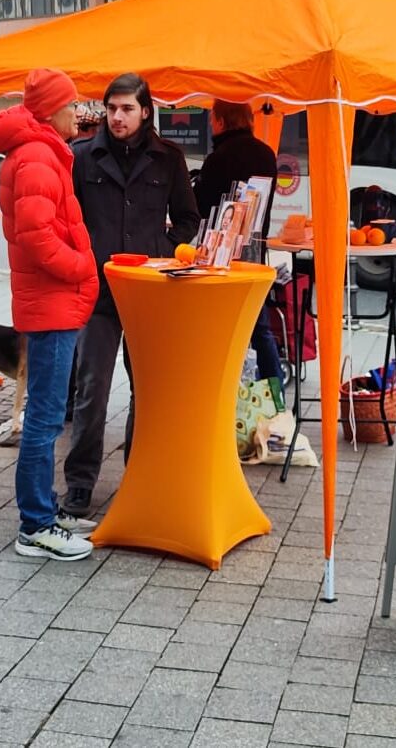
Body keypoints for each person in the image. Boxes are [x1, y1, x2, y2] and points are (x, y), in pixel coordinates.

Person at [66, 73, 199, 521]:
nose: (117, 117)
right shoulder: (82, 157)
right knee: (92, 389)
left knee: (146, 389)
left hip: (148, 292)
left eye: (126, 109)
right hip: (99, 291)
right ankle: (80, 483)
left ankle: (138, 475)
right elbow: (68, 220)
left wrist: (161, 250)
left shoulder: (168, 158)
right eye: (111, 108)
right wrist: (83, 258)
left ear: (145, 111)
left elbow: (188, 218)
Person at [0, 67, 98, 561]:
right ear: (53, 109)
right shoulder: (37, 154)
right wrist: (81, 267)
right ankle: (36, 525)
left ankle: (44, 512)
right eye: (72, 104)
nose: (79, 112)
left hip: (51, 300)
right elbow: (37, 236)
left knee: (47, 413)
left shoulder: (40, 150)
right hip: (51, 301)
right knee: (45, 417)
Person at [194, 99, 284, 382]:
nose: (211, 124)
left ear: (221, 121)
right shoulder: (266, 154)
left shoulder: (218, 158)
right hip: (255, 251)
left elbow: (201, 206)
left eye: (212, 119)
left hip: (220, 256)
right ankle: (274, 388)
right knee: (258, 325)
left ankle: (220, 383)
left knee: (218, 325)